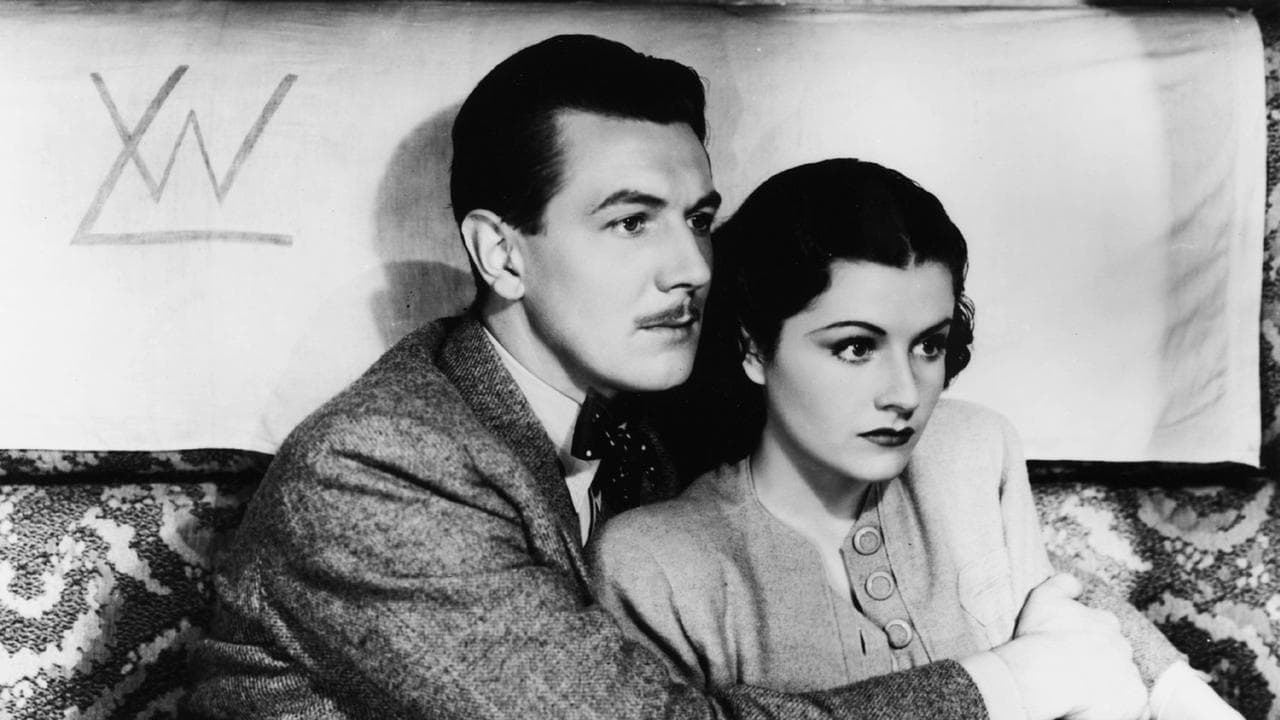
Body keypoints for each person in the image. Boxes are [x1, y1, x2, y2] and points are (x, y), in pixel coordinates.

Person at [188, 36, 1148, 719]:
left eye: (697, 219)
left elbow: (956, 504)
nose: (691, 266)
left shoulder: (663, 396)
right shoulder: (374, 469)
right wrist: (1012, 684)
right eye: (629, 221)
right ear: (502, 253)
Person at [591, 158, 1243, 720]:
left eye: (929, 345)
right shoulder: (655, 565)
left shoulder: (972, 451)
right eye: (855, 347)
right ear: (754, 349)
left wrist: (1183, 695)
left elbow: (1068, 624)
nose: (904, 393)